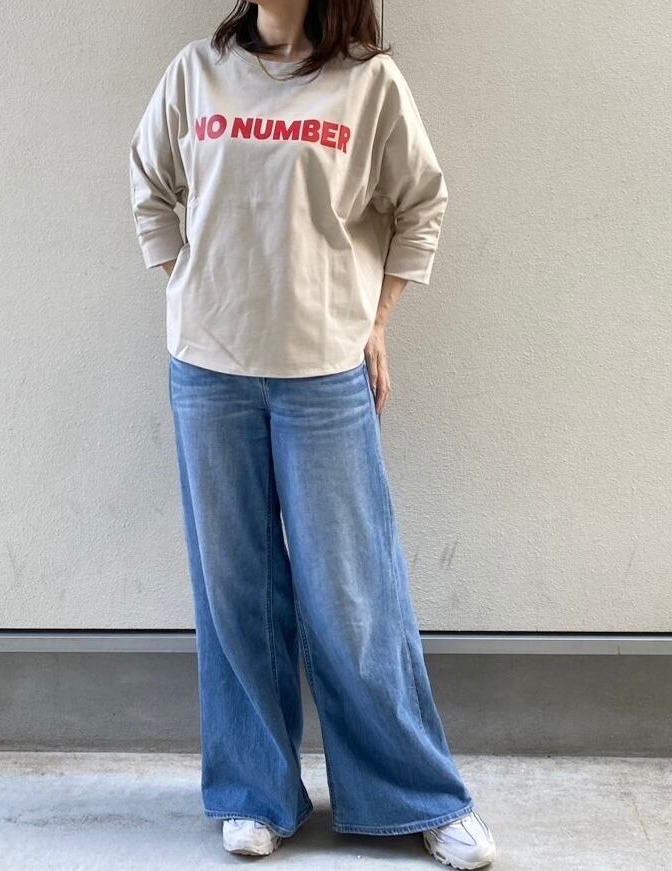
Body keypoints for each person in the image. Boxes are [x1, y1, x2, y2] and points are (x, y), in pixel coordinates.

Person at [128, 1, 497, 868]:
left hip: (325, 371)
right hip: (207, 372)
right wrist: (189, 284)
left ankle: (415, 796)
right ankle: (254, 792)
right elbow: (150, 184)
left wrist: (377, 323)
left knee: (354, 596)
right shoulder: (196, 73)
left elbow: (421, 204)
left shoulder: (367, 83)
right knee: (235, 592)